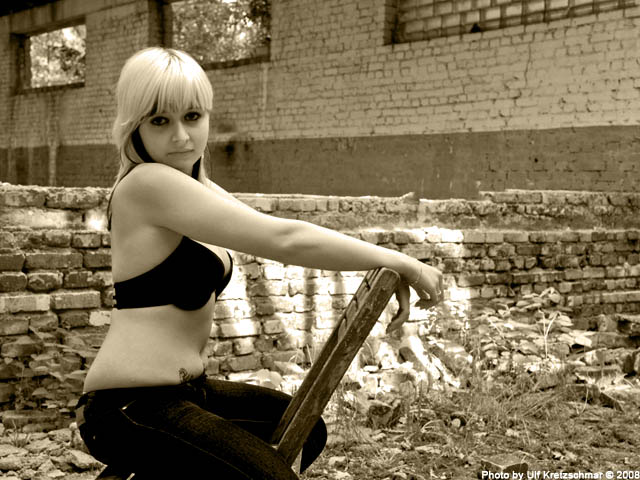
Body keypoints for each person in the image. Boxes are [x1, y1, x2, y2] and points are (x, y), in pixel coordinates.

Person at [75, 47, 443, 480]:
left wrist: (390, 266)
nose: (181, 137)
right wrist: (402, 261)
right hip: (129, 407)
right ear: (134, 126)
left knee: (306, 431)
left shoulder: (195, 186)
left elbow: (273, 228)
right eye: (160, 121)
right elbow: (283, 239)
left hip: (187, 392)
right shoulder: (147, 184)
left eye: (192, 117)